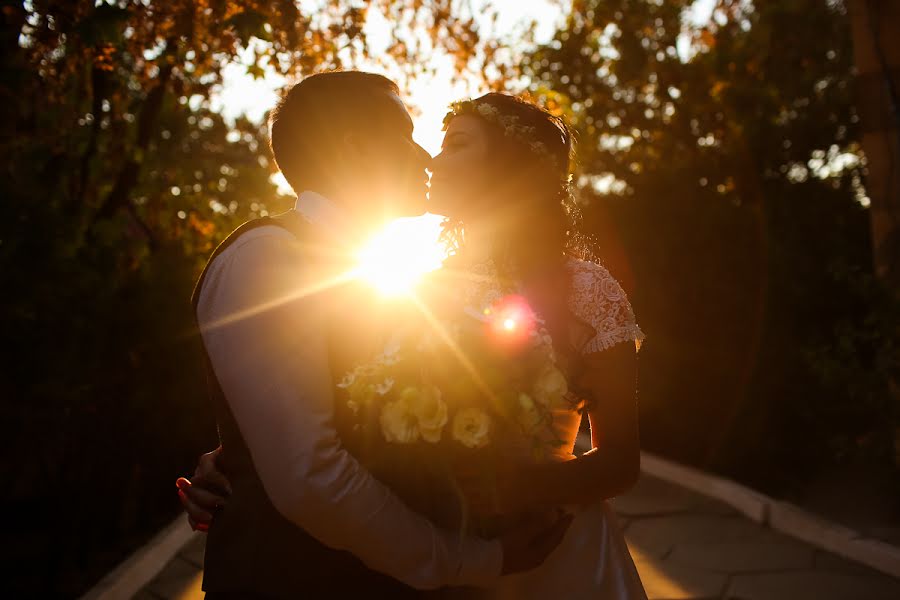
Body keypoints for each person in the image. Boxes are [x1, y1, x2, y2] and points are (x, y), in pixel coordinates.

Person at [184, 73, 572, 600]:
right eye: (406, 135)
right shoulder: (267, 258)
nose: (425, 158)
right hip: (293, 581)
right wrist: (474, 561)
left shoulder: (389, 281)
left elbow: (344, 417)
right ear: (356, 147)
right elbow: (311, 475)